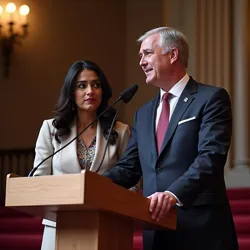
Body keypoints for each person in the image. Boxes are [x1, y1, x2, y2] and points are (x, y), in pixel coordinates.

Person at [103, 27, 238, 250]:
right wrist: (94, 182)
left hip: (201, 229)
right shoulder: (143, 113)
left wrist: (172, 194)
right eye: (140, 56)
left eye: (147, 53)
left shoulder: (211, 98)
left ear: (172, 55)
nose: (141, 62)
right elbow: (129, 167)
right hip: (156, 229)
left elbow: (210, 157)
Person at [32, 60, 138, 250]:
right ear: (71, 92)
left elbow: (132, 185)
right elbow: (40, 181)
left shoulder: (121, 131)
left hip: (109, 226)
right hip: (59, 228)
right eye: (82, 85)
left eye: (96, 85)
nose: (90, 91)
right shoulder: (50, 129)